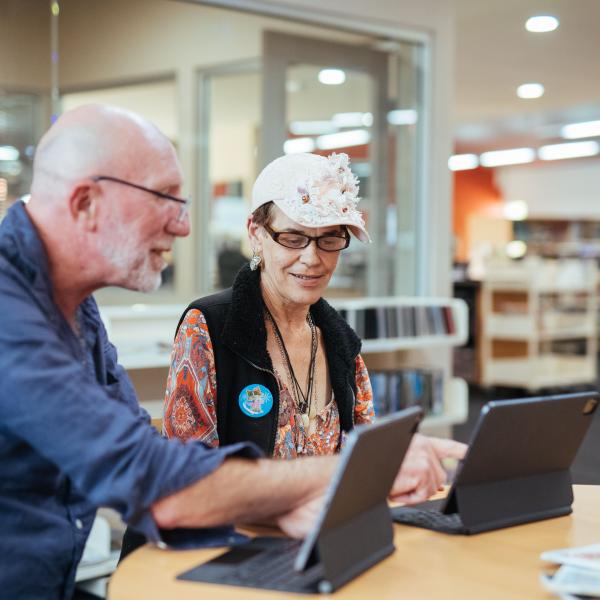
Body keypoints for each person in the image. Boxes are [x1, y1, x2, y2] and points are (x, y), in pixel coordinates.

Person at [0, 105, 463, 599]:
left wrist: (293, 500)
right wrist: (360, 470)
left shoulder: (72, 304)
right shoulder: (11, 314)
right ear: (85, 202)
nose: (183, 227)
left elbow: (140, 449)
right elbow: (155, 480)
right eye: (166, 199)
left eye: (330, 240)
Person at [163, 151, 464, 470]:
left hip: (326, 520)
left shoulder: (342, 344)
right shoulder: (209, 326)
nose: (312, 258)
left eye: (330, 240)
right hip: (236, 521)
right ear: (256, 234)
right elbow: (186, 476)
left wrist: (396, 456)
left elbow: (360, 460)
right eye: (293, 239)